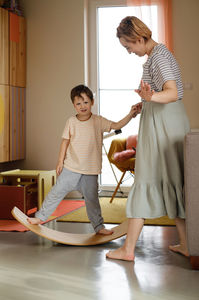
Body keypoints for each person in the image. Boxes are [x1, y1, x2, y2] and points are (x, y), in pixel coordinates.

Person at [106, 16, 190, 260]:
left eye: (128, 46)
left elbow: (172, 92)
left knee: (145, 177)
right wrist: (146, 102)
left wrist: (151, 98)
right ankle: (186, 243)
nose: (129, 51)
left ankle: (128, 250)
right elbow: (165, 93)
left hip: (162, 124)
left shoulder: (159, 57)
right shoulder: (158, 54)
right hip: (166, 120)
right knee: (174, 181)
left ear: (140, 38)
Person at [28, 84, 140, 235]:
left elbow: (117, 125)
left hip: (90, 170)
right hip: (71, 167)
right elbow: (64, 142)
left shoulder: (98, 121)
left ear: (92, 102)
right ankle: (40, 217)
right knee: (57, 191)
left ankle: (99, 227)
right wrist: (60, 161)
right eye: (78, 103)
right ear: (73, 105)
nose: (82, 106)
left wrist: (130, 114)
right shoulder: (71, 122)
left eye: (86, 102)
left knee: (92, 199)